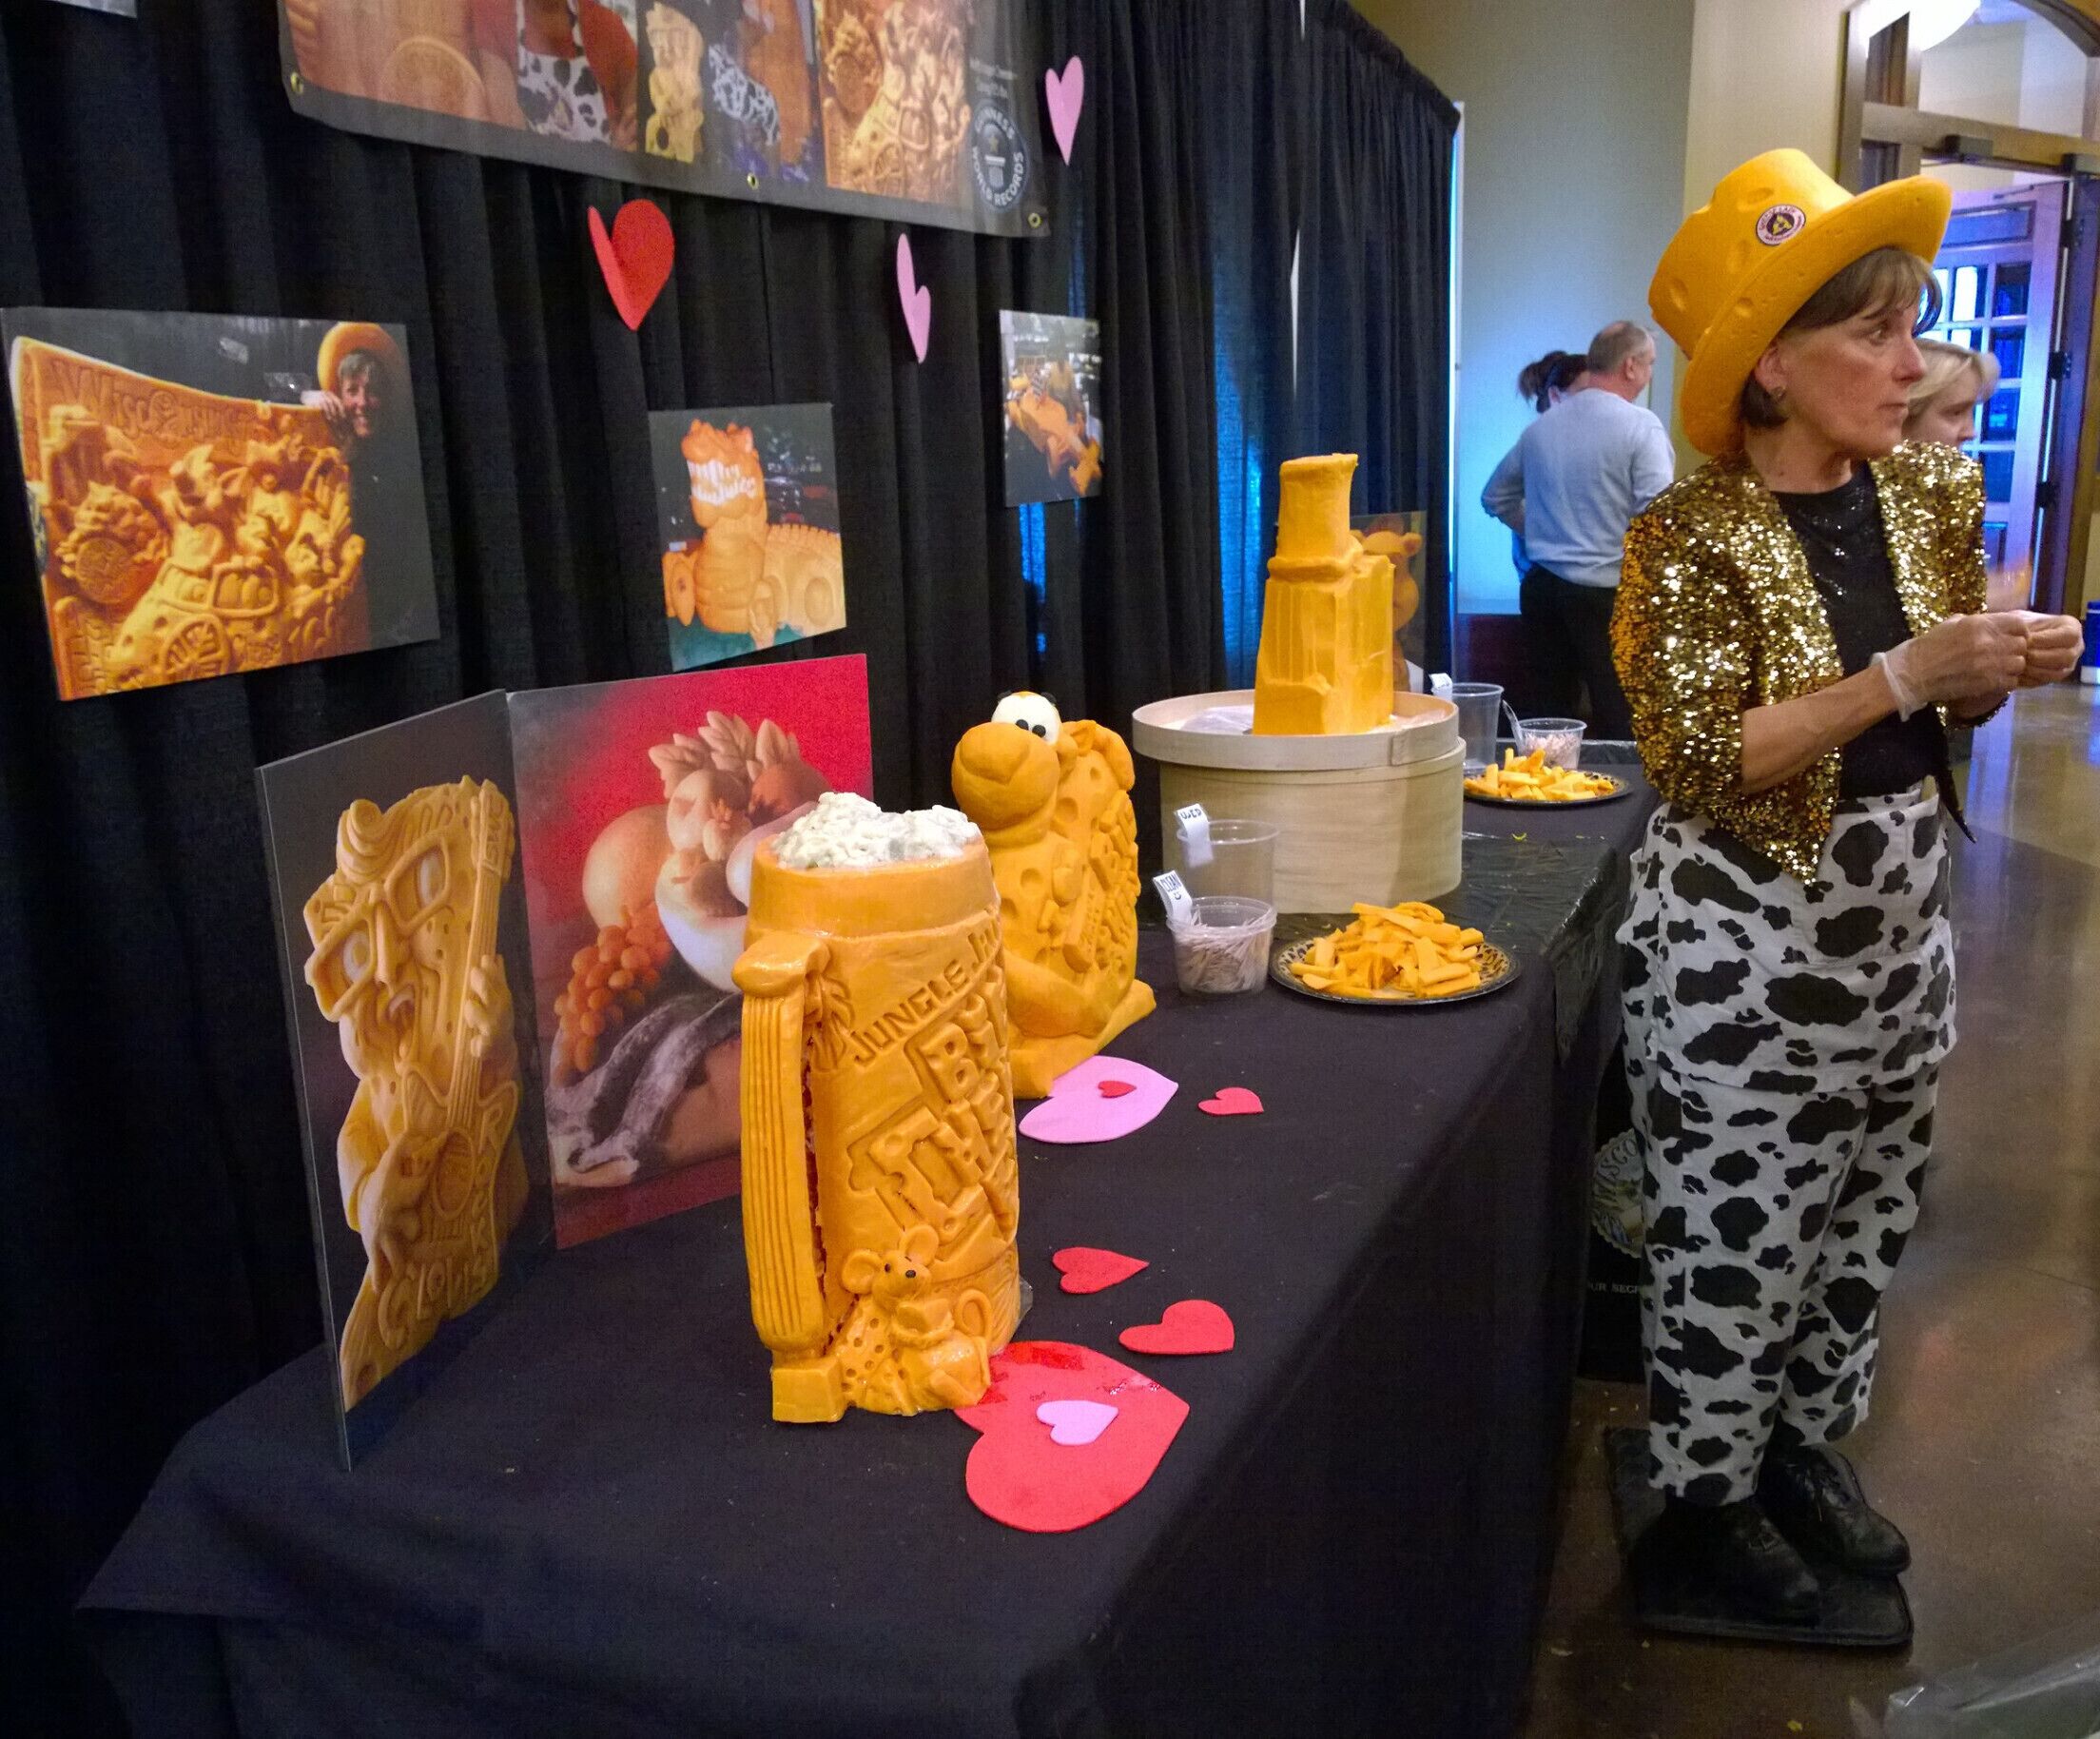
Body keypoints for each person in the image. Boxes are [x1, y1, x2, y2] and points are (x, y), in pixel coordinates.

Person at [1612, 148, 2086, 1622]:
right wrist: (1902, 671)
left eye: (1914, 325)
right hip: (1737, 947)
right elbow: (1696, 762)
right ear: (1770, 368)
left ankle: (1801, 1451)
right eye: (1872, 334)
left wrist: (1993, 674)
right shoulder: (1682, 536)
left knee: (1866, 1219)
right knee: (1736, 1231)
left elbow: (1943, 724)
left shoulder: (1931, 495)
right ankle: (1703, 1497)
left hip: (1899, 931)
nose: (1915, 364)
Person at [1483, 320, 1674, 735]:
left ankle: (1541, 793)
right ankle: (1623, 800)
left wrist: (1538, 532)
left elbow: (1493, 498)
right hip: (1606, 594)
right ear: (1630, 367)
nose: (1650, 373)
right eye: (1651, 363)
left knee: (1548, 716)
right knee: (1619, 717)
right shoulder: (1641, 426)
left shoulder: (1540, 429)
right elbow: (1658, 515)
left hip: (1543, 590)